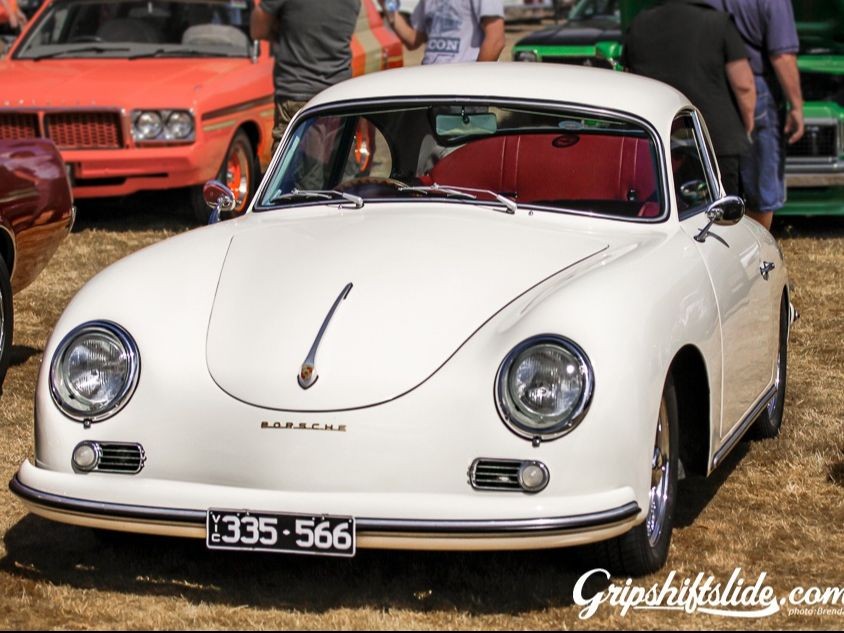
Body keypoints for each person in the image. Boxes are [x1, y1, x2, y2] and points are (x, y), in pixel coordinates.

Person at [622, 0, 756, 199]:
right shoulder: (718, 22)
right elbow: (744, 85)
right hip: (716, 140)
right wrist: (748, 123)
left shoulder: (640, 22)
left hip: (658, 139)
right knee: (721, 216)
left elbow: (629, 77)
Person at [705, 0, 804, 231]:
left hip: (712, 88)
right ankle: (756, 253)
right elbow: (783, 57)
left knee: (717, 182)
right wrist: (797, 106)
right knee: (760, 189)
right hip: (756, 88)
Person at [250, 0, 361, 152]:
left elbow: (258, 29)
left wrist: (283, 34)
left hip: (297, 93)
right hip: (337, 96)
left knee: (293, 170)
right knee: (339, 166)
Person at [380, 0, 505, 65]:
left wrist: (473, 83)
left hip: (461, 93)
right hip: (431, 88)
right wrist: (387, 4)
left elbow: (496, 41)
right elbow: (412, 39)